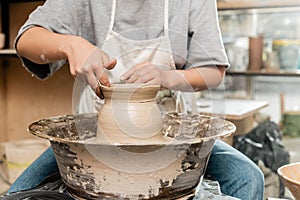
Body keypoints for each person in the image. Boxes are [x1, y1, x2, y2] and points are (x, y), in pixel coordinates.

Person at [9, 0, 264, 199]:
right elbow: (27, 40)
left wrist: (167, 77)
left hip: (170, 134)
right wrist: (69, 44)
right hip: (97, 136)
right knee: (18, 192)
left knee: (246, 176)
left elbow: (214, 71)